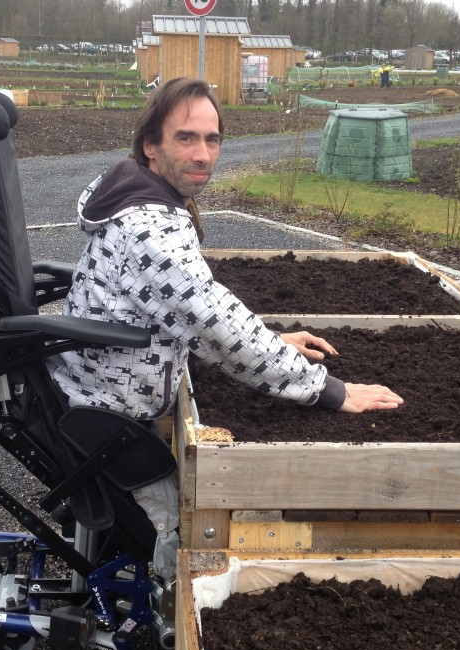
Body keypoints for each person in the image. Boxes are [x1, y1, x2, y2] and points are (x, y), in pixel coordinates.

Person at [48, 77, 403, 581]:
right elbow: (216, 323)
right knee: (188, 527)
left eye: (212, 139)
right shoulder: (148, 228)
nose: (203, 154)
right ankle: (169, 610)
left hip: (114, 382)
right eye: (186, 138)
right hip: (110, 412)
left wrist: (273, 340)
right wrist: (327, 390)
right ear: (151, 146)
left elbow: (193, 311)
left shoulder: (148, 201)